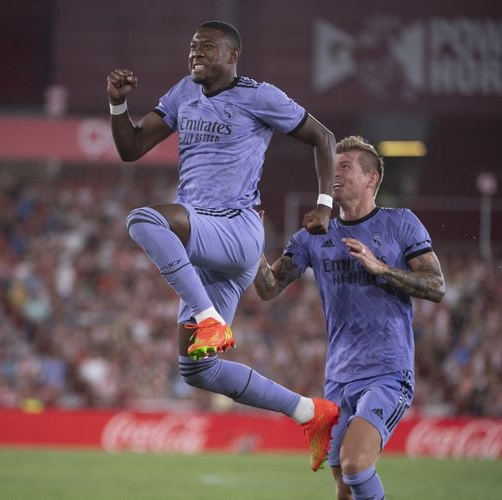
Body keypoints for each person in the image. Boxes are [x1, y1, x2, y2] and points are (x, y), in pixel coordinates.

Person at [106, 20, 339, 470]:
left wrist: (325, 204)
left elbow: (323, 138)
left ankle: (209, 317)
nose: (195, 53)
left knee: (145, 219)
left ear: (232, 56)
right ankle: (311, 413)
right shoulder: (182, 94)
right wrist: (118, 106)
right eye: (192, 46)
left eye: (207, 47)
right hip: (204, 243)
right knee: (197, 369)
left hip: (234, 230)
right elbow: (131, 148)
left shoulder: (260, 96)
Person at [253, 136, 446, 498]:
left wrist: (381, 268)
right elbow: (268, 287)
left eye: (344, 166)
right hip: (339, 379)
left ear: (371, 178)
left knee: (357, 465)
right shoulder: (313, 234)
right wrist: (250, 244)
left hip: (388, 371)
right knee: (344, 488)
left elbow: (436, 286)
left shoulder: (401, 224)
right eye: (332, 167)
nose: (333, 173)